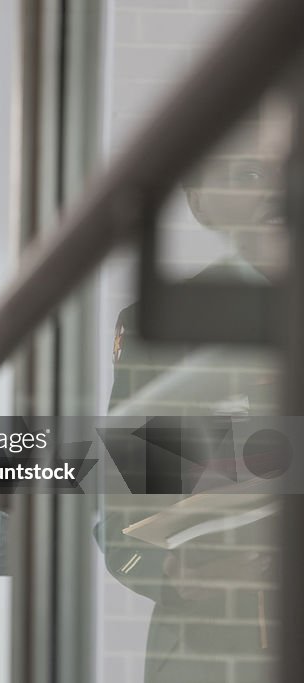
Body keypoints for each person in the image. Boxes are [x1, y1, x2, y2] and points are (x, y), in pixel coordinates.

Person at [97, 105, 286, 683]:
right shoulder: (163, 328)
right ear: (200, 201)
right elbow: (122, 503)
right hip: (216, 646)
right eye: (248, 176)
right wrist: (171, 571)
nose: (277, 195)